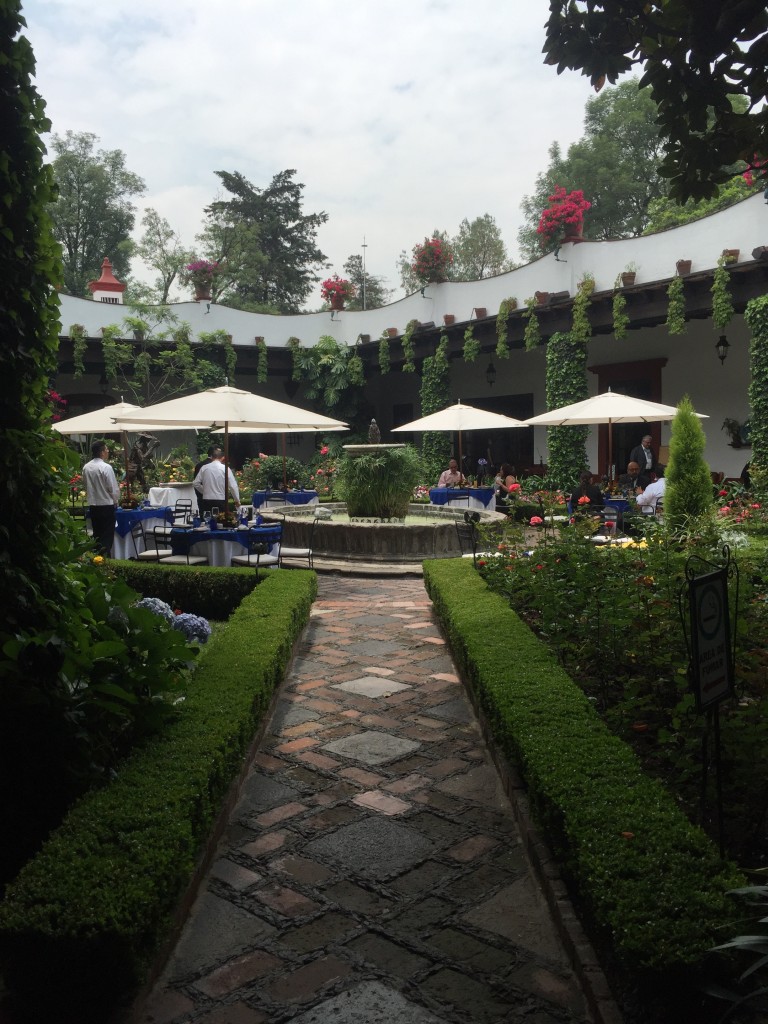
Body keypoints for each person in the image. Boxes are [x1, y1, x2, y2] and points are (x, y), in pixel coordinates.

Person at [83, 440, 119, 556]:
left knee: (97, 535)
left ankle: (97, 558)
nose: (108, 451)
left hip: (93, 506)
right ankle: (104, 558)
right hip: (106, 505)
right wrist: (116, 500)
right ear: (102, 452)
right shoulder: (106, 467)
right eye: (106, 449)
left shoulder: (86, 467)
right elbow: (112, 488)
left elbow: (86, 485)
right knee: (107, 536)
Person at [194, 450, 240, 515]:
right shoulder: (225, 468)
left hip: (207, 499)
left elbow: (196, 483)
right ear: (222, 458)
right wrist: (237, 500)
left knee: (208, 519)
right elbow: (233, 486)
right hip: (221, 499)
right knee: (221, 519)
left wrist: (205, 491)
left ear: (211, 457)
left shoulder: (204, 468)